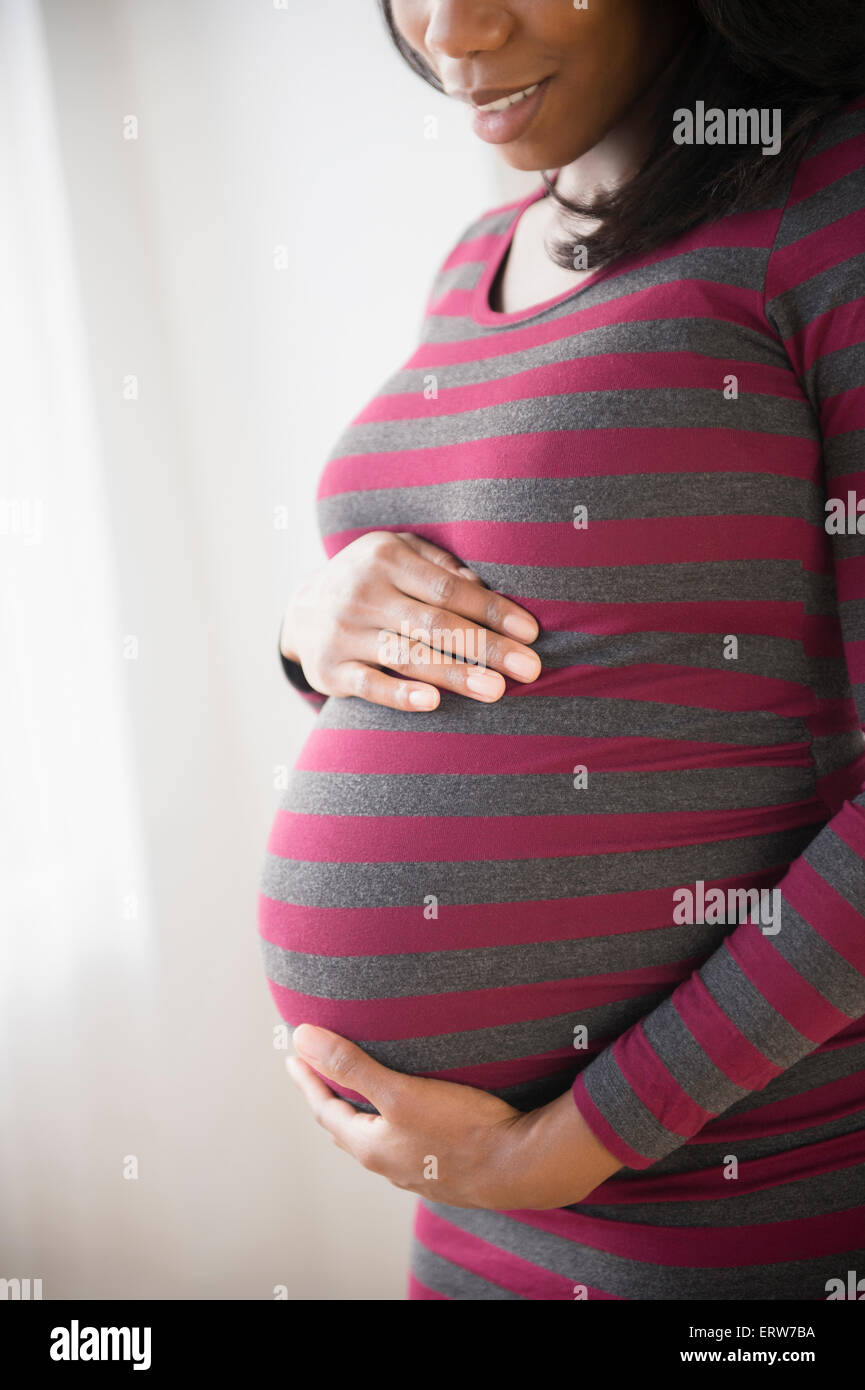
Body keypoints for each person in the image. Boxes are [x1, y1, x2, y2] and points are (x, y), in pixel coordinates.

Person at [259, 0, 865, 1300]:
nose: (446, 32)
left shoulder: (829, 208)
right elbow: (530, 613)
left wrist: (571, 1140)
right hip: (471, 1217)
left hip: (734, 1215)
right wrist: (307, 628)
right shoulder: (477, 250)